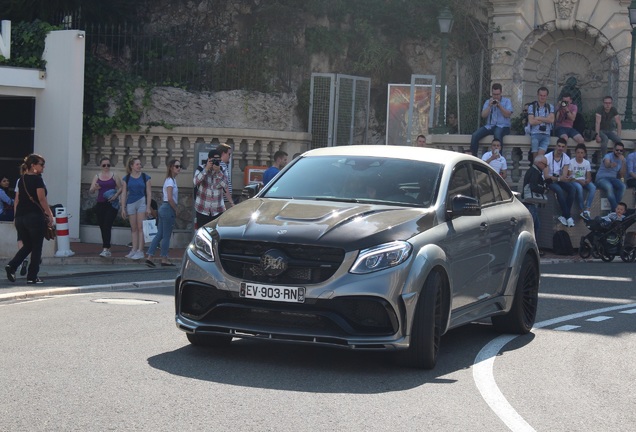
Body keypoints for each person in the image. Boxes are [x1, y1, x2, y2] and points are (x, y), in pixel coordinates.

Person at [5, 154, 54, 284]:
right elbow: (42, 199)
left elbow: (18, 199)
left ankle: (12, 266)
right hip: (34, 217)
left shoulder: (21, 180)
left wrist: (16, 217)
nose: (43, 167)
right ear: (33, 165)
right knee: (37, 247)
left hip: (21, 217)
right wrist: (49, 214)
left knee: (27, 246)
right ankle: (32, 276)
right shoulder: (38, 180)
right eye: (41, 164)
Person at [146, 159, 181, 268]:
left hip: (164, 208)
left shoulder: (171, 180)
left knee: (160, 234)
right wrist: (175, 209)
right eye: (176, 166)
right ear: (171, 167)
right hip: (168, 208)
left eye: (180, 166)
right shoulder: (170, 181)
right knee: (166, 235)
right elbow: (170, 198)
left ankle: (150, 257)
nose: (179, 168)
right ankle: (164, 258)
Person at [89, 157, 122, 257]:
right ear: (101, 166)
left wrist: (116, 196)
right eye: (104, 165)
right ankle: (106, 247)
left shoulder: (114, 176)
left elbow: (121, 188)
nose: (106, 167)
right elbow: (91, 190)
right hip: (100, 203)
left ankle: (106, 248)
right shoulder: (97, 176)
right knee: (102, 226)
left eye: (108, 165)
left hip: (111, 204)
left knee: (107, 224)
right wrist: (94, 188)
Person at [120, 157, 152, 260]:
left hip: (141, 201)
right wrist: (123, 208)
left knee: (140, 227)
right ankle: (134, 249)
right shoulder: (127, 178)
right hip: (131, 203)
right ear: (132, 166)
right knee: (133, 228)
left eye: (140, 164)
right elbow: (124, 193)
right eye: (137, 164)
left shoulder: (145, 177)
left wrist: (148, 207)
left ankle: (140, 250)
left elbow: (149, 193)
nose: (139, 166)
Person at [469, 83, 513, 157]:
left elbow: (508, 114)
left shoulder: (507, 101)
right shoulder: (488, 102)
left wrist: (500, 106)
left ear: (501, 93)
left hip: (503, 126)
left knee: (497, 134)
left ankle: (498, 158)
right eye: (494, 94)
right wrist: (489, 106)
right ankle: (473, 157)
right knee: (475, 135)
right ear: (491, 93)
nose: (496, 96)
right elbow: (483, 115)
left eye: (497, 94)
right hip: (490, 126)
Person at [544, 137, 576, 227]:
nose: (560, 148)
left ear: (565, 148)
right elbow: (546, 176)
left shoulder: (566, 158)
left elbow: (564, 175)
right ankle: (568, 216)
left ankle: (564, 216)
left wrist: (565, 178)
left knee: (572, 189)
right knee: (559, 190)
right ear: (555, 146)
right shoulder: (547, 157)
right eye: (559, 146)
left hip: (559, 179)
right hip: (549, 180)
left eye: (562, 147)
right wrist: (559, 179)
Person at [193, 148, 228, 228]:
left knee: (215, 235)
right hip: (202, 209)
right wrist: (206, 170)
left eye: (218, 160)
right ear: (209, 159)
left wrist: (218, 172)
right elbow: (195, 182)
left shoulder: (222, 170)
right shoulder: (201, 168)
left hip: (217, 210)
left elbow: (225, 185)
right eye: (214, 160)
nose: (216, 162)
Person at [521, 155, 548, 256]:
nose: (545, 167)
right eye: (545, 165)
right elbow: (533, 186)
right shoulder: (535, 172)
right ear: (539, 163)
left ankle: (533, 248)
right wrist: (543, 189)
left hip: (529, 202)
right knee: (532, 226)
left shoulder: (532, 170)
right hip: (530, 203)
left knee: (536, 225)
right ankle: (532, 249)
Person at [595, 141, 627, 212]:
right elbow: (606, 164)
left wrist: (623, 162)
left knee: (623, 186)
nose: (619, 152)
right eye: (617, 150)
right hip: (601, 178)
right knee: (609, 187)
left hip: (613, 179)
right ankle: (616, 210)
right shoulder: (608, 156)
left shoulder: (622, 159)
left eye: (621, 150)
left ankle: (613, 210)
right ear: (613, 149)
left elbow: (622, 174)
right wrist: (610, 164)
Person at [567, 143, 596, 220]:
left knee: (593, 187)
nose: (580, 154)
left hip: (583, 180)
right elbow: (570, 176)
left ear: (584, 154)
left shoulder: (586, 162)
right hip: (574, 181)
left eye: (582, 153)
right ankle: (581, 209)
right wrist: (579, 181)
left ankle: (587, 209)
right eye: (578, 152)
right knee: (579, 188)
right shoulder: (571, 162)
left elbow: (589, 176)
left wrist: (587, 180)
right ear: (575, 153)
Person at [527, 87, 555, 159]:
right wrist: (546, 119)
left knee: (540, 157)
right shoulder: (532, 106)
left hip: (546, 134)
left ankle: (536, 169)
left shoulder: (550, 107)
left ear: (547, 96)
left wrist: (538, 118)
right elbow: (531, 121)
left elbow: (551, 120)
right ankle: (536, 169)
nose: (542, 97)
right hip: (535, 134)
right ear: (537, 95)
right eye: (541, 95)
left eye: (544, 95)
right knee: (535, 157)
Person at [217, 143, 235, 209]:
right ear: (223, 153)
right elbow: (224, 185)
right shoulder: (221, 166)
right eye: (229, 154)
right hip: (223, 201)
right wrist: (231, 202)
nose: (229, 156)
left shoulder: (222, 165)